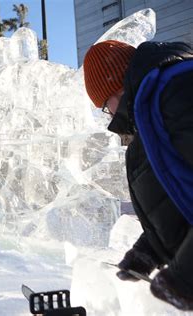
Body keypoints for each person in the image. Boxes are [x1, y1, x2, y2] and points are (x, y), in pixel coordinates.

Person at [83, 40, 193, 310]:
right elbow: (177, 192)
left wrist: (185, 277)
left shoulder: (179, 91)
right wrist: (149, 250)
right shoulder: (153, 108)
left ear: (115, 88)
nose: (109, 114)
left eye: (104, 106)